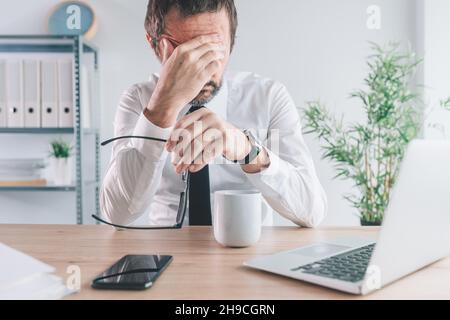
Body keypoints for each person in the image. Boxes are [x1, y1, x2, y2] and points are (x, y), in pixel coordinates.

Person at [100, 0, 327, 228]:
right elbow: (117, 215)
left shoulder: (267, 97)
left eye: (214, 48)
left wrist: (250, 152)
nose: (203, 68)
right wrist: (161, 110)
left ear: (232, 41)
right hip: (166, 250)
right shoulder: (138, 100)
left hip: (248, 253)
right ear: (155, 45)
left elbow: (312, 211)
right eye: (185, 52)